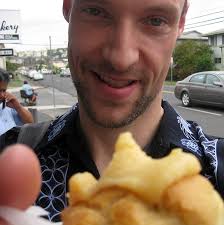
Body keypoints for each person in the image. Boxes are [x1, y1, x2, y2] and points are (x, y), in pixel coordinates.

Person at [0, 0, 224, 223]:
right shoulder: (7, 163)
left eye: (156, 20)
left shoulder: (218, 171)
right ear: (68, 8)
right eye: (96, 11)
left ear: (180, 25)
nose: (121, 59)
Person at [0, 68, 34, 136]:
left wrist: (17, 106)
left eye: (4, 91)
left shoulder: (8, 106)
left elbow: (30, 123)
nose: (2, 95)